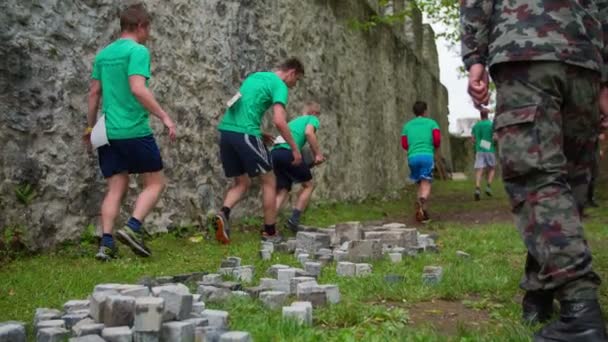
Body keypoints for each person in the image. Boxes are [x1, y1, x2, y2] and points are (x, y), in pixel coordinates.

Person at [461, 0, 608, 339]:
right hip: (584, 57)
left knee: (537, 177)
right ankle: (540, 292)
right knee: (569, 184)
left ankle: (580, 309)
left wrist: (474, 60)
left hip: (524, 52)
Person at [84, 3, 177, 261]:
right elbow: (138, 88)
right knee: (156, 182)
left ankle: (106, 243)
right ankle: (133, 227)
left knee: (116, 186)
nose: (149, 35)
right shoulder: (138, 51)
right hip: (134, 129)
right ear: (140, 26)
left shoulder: (103, 55)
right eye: (148, 29)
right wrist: (165, 116)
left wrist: (90, 127)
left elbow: (93, 94)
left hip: (108, 132)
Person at [214, 58, 304, 244]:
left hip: (227, 133)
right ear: (291, 73)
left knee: (242, 182)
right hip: (246, 133)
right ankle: (270, 232)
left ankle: (223, 213)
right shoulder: (280, 85)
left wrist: (259, 133)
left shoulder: (255, 77)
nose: (295, 85)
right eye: (297, 80)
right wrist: (295, 148)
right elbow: (279, 121)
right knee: (269, 180)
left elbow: (243, 106)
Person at [272, 101, 325, 232]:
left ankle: (269, 226)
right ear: (314, 113)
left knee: (283, 190)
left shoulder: (293, 122)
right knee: (309, 185)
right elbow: (309, 133)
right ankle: (293, 221)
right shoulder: (312, 119)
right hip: (288, 152)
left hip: (275, 153)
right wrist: (317, 154)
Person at [401, 101, 440, 223]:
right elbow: (437, 139)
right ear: (425, 111)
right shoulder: (432, 123)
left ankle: (423, 212)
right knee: (426, 182)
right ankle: (422, 200)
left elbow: (404, 144)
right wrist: (433, 147)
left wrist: (412, 149)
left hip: (412, 157)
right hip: (427, 156)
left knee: (420, 182)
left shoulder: (407, 126)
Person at [470, 107, 496, 201]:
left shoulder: (476, 126)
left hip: (479, 150)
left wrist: (479, 143)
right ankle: (488, 186)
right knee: (492, 168)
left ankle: (477, 188)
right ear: (487, 115)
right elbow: (495, 137)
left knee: (479, 170)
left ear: (480, 115)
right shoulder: (491, 125)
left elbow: (472, 139)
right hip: (490, 149)